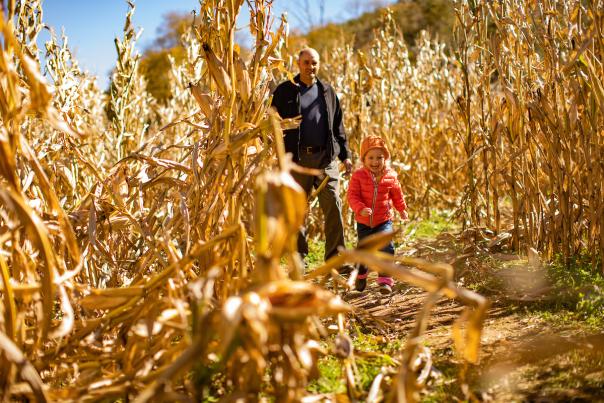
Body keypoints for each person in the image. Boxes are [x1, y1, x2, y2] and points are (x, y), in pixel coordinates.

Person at [271, 47, 353, 268]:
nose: (310, 66)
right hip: (296, 160)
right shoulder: (285, 91)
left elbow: (338, 126)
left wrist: (345, 155)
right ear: (298, 63)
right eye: (306, 62)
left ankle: (337, 258)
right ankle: (299, 259)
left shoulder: (327, 91)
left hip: (325, 159)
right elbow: (271, 123)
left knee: (334, 205)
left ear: (319, 64)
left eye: (314, 62)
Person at [347, 135, 408, 294]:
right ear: (364, 159)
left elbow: (397, 195)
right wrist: (360, 208)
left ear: (385, 158)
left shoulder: (391, 176)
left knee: (386, 247)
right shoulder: (358, 176)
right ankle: (361, 274)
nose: (375, 162)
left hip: (383, 220)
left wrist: (401, 209)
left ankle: (385, 280)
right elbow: (352, 196)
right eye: (371, 158)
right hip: (364, 221)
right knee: (363, 250)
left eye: (379, 157)